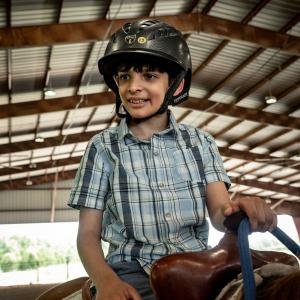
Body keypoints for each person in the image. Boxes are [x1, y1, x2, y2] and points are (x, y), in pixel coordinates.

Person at [68, 19, 277, 300]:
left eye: (149, 76)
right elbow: (88, 235)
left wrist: (241, 211)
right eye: (124, 77)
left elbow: (219, 213)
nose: (133, 87)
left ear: (176, 86)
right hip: (132, 270)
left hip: (198, 264)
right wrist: (106, 282)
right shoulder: (102, 148)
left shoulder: (200, 142)